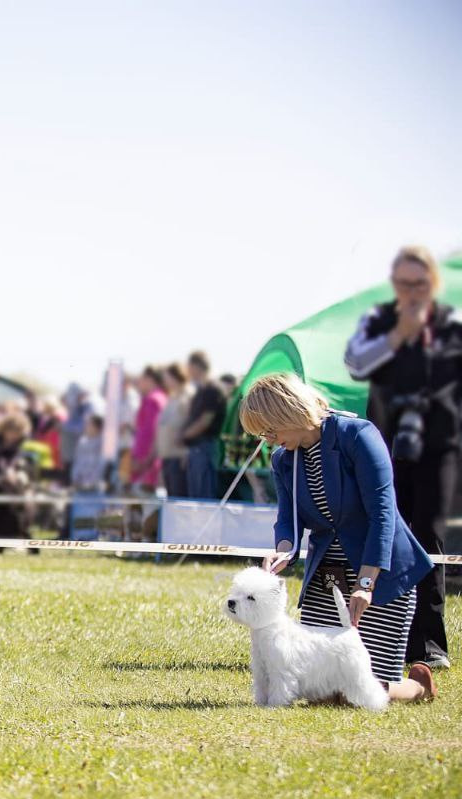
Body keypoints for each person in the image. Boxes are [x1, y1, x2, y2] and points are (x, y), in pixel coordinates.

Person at [241, 372, 437, 702]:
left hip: (380, 570)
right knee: (318, 689)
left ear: (289, 412)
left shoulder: (357, 435)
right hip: (327, 577)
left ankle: (418, 687)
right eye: (263, 435)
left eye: (271, 430)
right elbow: (288, 520)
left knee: (359, 690)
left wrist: (366, 584)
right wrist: (283, 551)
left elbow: (383, 514)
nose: (269, 440)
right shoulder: (283, 460)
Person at [345, 245, 457, 671]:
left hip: (438, 447)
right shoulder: (377, 320)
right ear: (394, 284)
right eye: (404, 283)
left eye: (420, 283)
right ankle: (376, 637)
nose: (412, 291)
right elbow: (356, 364)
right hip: (384, 445)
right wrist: (397, 336)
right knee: (385, 534)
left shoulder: (450, 325)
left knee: (429, 539)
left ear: (433, 283)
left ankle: (429, 644)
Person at [180, 350, 226, 499]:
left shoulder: (212, 390)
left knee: (204, 497)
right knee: (195, 498)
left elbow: (205, 422)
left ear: (195, 366)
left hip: (205, 448)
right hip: (195, 450)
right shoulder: (201, 391)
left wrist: (182, 437)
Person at [129, 366, 167, 493]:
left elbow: (150, 432)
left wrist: (142, 460)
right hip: (152, 461)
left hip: (146, 464)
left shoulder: (153, 400)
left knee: (143, 500)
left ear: (149, 379)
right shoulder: (161, 397)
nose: (139, 383)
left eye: (141, 379)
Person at [156, 362, 191, 498]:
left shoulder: (187, 396)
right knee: (171, 497)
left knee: (179, 497)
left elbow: (189, 424)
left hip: (179, 456)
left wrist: (187, 453)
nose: (165, 381)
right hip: (168, 456)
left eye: (167, 377)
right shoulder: (172, 397)